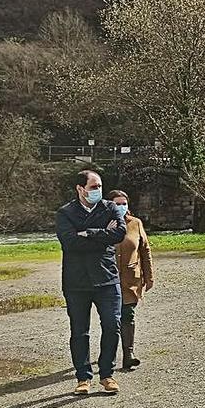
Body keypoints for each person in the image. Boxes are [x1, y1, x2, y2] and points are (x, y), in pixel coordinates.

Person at [55, 169, 127, 395]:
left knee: (112, 325)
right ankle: (83, 378)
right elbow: (69, 242)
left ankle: (107, 374)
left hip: (107, 278)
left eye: (100, 187)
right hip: (77, 282)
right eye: (93, 187)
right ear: (80, 189)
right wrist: (101, 235)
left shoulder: (110, 208)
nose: (98, 191)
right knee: (80, 331)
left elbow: (119, 234)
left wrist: (87, 233)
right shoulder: (66, 212)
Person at [106, 190, 154, 372]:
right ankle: (109, 356)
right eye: (116, 203)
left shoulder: (136, 224)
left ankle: (129, 354)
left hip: (130, 280)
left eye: (123, 203)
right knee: (111, 320)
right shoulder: (102, 223)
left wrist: (149, 277)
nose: (121, 206)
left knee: (128, 315)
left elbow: (145, 250)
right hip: (108, 279)